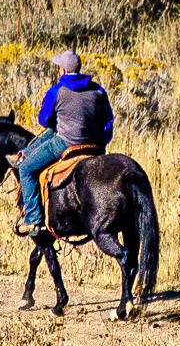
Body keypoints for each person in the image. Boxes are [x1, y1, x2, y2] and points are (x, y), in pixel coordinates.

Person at [12, 49, 113, 236]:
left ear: (64, 71)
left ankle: (33, 220)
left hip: (65, 144)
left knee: (26, 169)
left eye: (59, 68)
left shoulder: (56, 91)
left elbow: (43, 120)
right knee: (51, 134)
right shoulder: (98, 90)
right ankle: (25, 152)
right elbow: (108, 121)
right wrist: (102, 142)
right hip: (94, 146)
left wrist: (58, 122)